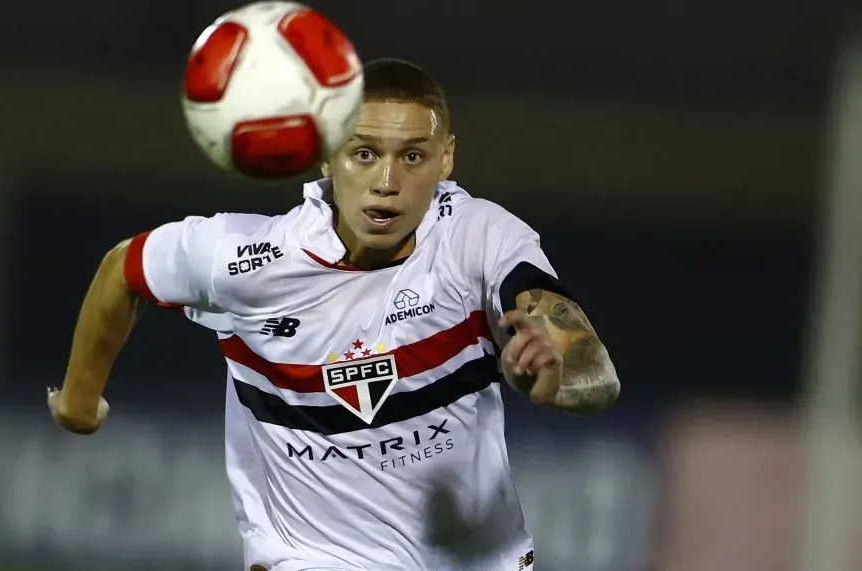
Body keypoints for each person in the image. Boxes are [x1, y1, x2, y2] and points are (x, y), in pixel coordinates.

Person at [48, 58, 621, 571]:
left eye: (413, 157)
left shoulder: (480, 239)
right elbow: (125, 269)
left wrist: (556, 378)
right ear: (327, 154)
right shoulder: (249, 261)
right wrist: (80, 399)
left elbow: (590, 369)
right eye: (365, 153)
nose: (387, 184)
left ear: (447, 159)